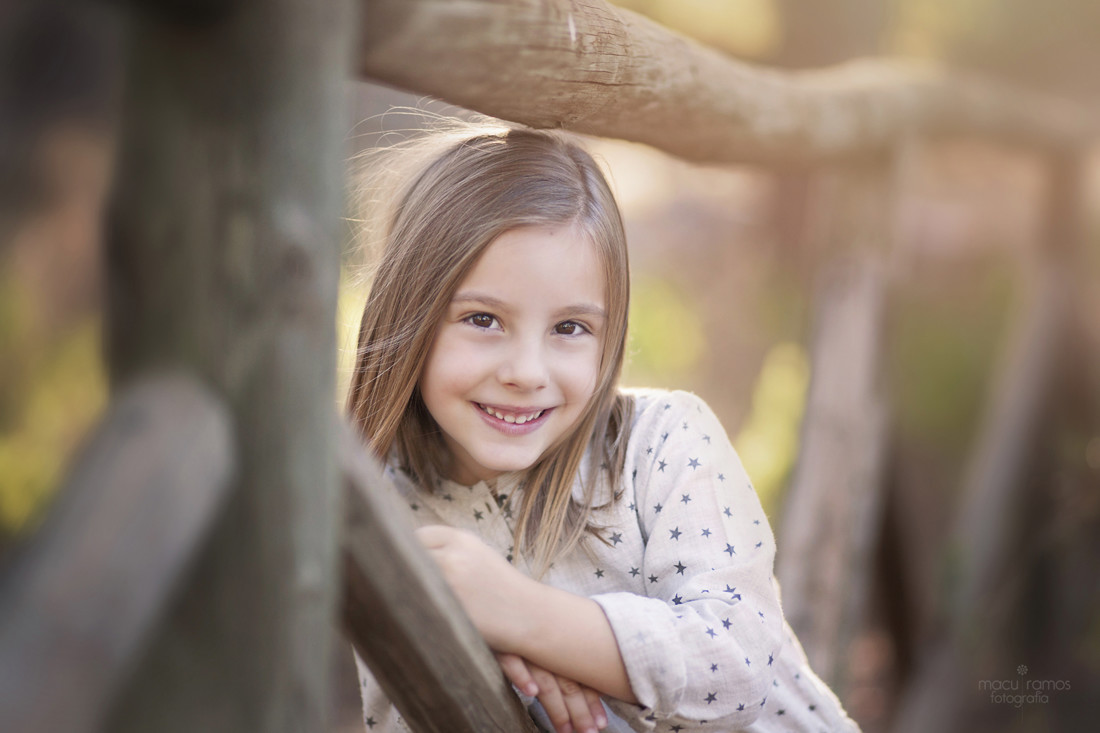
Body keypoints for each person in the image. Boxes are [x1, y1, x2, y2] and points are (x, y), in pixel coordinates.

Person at [345, 119, 860, 733]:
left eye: (569, 329)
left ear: (608, 338)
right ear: (410, 311)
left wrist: (521, 616)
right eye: (483, 319)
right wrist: (488, 654)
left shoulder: (662, 443)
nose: (526, 372)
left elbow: (736, 666)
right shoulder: (384, 509)